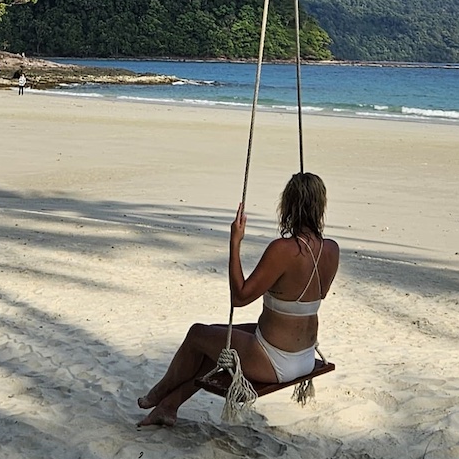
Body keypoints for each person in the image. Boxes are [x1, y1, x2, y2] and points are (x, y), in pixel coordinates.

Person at [138, 171, 338, 427]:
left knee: (197, 333)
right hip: (306, 357)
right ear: (320, 205)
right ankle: (168, 406)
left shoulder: (284, 249)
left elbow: (240, 297)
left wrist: (235, 242)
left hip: (275, 361)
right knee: (218, 337)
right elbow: (317, 294)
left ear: (288, 205)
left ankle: (159, 391)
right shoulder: (331, 249)